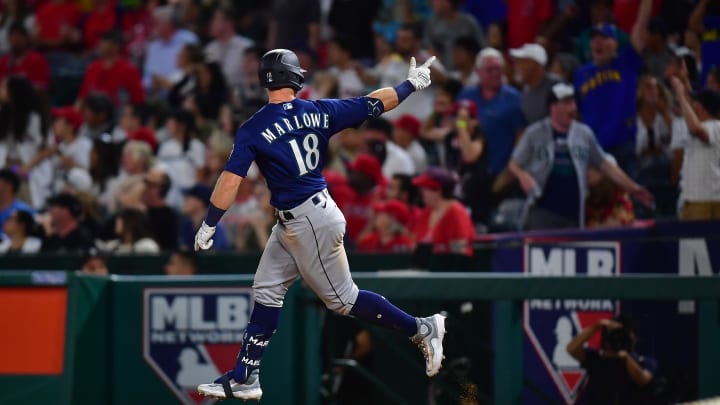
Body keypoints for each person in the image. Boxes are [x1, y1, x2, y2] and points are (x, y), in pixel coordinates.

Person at [194, 49, 446, 400]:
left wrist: (209, 223)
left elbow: (231, 180)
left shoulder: (253, 127)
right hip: (301, 218)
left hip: (308, 220)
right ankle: (245, 376)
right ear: (295, 77)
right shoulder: (317, 110)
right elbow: (373, 103)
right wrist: (410, 85)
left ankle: (422, 328)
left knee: (343, 299)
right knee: (266, 290)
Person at [508, 83, 653, 230]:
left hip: (574, 214)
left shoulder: (584, 133)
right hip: (543, 211)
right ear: (553, 107)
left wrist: (632, 187)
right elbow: (514, 163)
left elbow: (605, 164)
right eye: (567, 103)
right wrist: (523, 176)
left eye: (573, 103)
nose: (573, 108)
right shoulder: (534, 133)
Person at [573, 0, 653, 177]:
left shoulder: (626, 63)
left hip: (622, 144)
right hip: (592, 147)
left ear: (615, 44)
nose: (597, 42)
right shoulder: (581, 73)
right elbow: (577, 113)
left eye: (603, 38)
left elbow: (641, 26)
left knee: (627, 197)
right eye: (594, 38)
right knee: (595, 200)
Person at [566, 314, 657, 405]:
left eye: (624, 335)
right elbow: (572, 349)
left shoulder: (643, 361)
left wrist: (626, 358)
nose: (619, 339)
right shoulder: (597, 358)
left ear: (635, 339)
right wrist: (597, 326)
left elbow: (643, 380)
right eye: (615, 334)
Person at [671, 79, 720, 220]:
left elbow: (695, 129)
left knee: (693, 242)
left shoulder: (715, 126)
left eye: (694, 105)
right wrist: (685, 82)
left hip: (704, 202)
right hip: (701, 199)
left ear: (699, 107)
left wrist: (680, 95)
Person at [76, 30, 145, 107]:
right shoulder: (93, 67)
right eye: (101, 41)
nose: (100, 44)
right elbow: (82, 97)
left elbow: (138, 100)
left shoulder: (129, 70)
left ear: (116, 46)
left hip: (116, 115)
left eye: (105, 41)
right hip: (92, 114)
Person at [509, 43, 560, 124]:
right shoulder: (525, 90)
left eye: (520, 62)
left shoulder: (557, 86)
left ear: (533, 64)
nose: (515, 67)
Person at [204, 7, 254, 89]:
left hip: (241, 95)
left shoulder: (246, 47)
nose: (211, 24)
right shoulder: (209, 49)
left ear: (228, 23)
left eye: (215, 20)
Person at [0, 23, 50, 91]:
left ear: (26, 38)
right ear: (8, 39)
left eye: (19, 36)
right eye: (12, 36)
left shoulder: (36, 59)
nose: (16, 39)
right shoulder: (3, 61)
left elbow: (40, 88)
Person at [142, 168, 179, 250]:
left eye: (149, 184)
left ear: (159, 189)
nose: (144, 187)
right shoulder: (139, 212)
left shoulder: (170, 216)